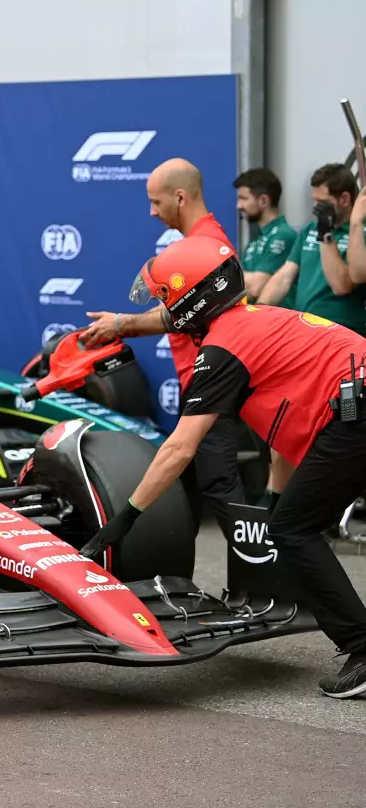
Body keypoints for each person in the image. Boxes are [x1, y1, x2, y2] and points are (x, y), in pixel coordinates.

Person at [80, 234, 366, 699]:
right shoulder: (262, 321)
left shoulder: (222, 350)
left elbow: (179, 449)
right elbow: (287, 431)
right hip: (352, 407)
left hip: (354, 414)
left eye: (168, 302)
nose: (167, 312)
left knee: (292, 529)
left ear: (191, 303)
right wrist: (274, 498)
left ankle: (361, 647)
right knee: (290, 520)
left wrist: (123, 521)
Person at [80, 158, 244, 530]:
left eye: (157, 202)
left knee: (220, 484)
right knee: (196, 482)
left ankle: (254, 583)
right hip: (202, 378)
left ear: (181, 197)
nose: (152, 211)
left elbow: (180, 316)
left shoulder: (208, 244)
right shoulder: (201, 242)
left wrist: (120, 324)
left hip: (210, 381)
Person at [258, 163, 366, 335]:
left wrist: (325, 235)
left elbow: (341, 285)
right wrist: (260, 308)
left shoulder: (360, 232)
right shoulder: (310, 229)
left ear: (345, 199)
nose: (316, 208)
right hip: (307, 332)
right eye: (314, 200)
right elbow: (285, 276)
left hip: (344, 333)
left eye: (322, 202)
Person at [234, 167, 297, 305]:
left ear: (263, 200)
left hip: (278, 320)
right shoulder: (257, 239)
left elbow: (254, 287)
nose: (239, 205)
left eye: (244, 198)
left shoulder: (284, 235)